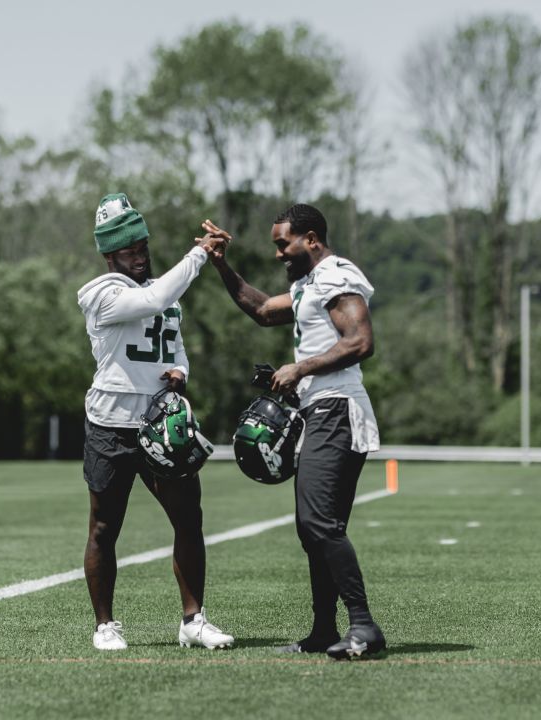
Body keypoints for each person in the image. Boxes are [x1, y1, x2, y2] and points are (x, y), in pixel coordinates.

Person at [201, 203, 387, 660]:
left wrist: (299, 367)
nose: (279, 252)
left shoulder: (335, 275)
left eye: (283, 243)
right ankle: (325, 630)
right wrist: (221, 264)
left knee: (317, 523)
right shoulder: (307, 286)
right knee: (315, 530)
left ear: (312, 239)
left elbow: (361, 342)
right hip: (318, 410)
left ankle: (364, 625)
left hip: (337, 409)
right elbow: (263, 309)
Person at [76, 192, 234, 652]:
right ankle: (105, 624)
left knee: (189, 518)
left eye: (142, 248)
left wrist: (182, 370)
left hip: (161, 417)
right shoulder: (102, 293)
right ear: (110, 255)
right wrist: (200, 253)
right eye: (129, 251)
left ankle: (193, 619)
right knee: (105, 526)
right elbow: (155, 299)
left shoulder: (158, 289)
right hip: (111, 421)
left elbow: (173, 339)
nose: (139, 257)